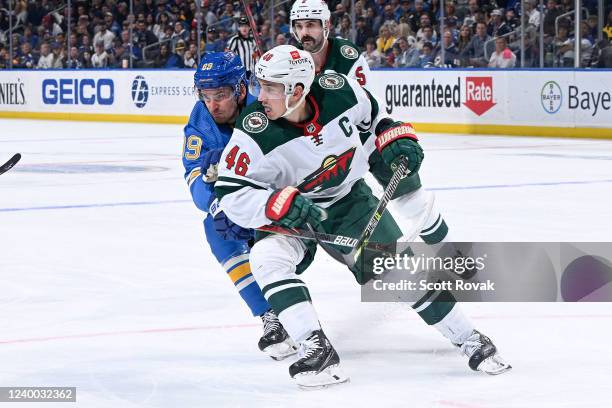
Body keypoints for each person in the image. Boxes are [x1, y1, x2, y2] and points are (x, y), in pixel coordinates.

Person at [215, 45, 511, 388]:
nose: (260, 96)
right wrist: (275, 204)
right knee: (267, 257)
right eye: (260, 84)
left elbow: (377, 120)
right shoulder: (253, 131)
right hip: (292, 213)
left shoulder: (340, 90)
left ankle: (471, 339)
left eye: (270, 88)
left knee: (399, 270)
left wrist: (394, 137)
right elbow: (231, 193)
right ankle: (316, 348)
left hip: (348, 201)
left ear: (297, 90)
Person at [290, 0, 460, 253]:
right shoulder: (290, 61)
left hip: (365, 139)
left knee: (412, 201)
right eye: (300, 26)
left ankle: (451, 252)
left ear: (326, 25)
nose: (305, 33)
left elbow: (366, 106)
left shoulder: (347, 55)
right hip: (328, 153)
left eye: (311, 25)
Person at [182, 51, 297, 361]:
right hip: (259, 207)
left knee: (372, 258)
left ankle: (430, 287)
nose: (212, 104)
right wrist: (219, 203)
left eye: (219, 94)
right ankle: (270, 313)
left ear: (240, 89)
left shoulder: (269, 105)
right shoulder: (200, 123)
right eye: (205, 95)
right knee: (215, 227)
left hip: (299, 194)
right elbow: (195, 181)